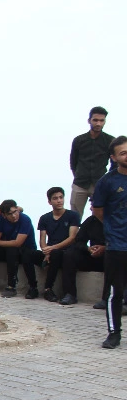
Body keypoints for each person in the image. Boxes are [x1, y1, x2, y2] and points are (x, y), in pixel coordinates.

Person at [91, 135, 127, 348]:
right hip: (117, 245)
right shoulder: (107, 182)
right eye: (123, 153)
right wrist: (114, 227)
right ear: (113, 157)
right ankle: (114, 333)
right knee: (115, 292)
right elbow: (98, 210)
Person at [0, 199, 39, 299]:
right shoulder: (1, 219)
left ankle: (29, 287)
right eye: (10, 214)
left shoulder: (25, 219)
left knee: (15, 251)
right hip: (10, 248)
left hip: (27, 250)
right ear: (4, 215)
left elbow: (18, 243)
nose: (14, 215)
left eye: (15, 212)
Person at [37, 186, 81, 301]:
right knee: (33, 255)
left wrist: (52, 248)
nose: (59, 200)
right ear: (49, 201)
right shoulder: (44, 218)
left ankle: (69, 294)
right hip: (52, 251)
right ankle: (47, 290)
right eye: (55, 198)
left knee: (63, 255)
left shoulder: (73, 216)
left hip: (68, 250)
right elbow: (42, 239)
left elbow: (72, 238)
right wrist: (46, 251)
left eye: (61, 197)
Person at [60, 213, 110, 307]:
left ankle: (106, 299)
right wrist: (88, 249)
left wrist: (105, 248)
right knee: (70, 254)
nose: (91, 209)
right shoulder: (91, 220)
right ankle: (70, 294)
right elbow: (79, 241)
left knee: (113, 257)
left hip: (110, 256)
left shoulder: (116, 220)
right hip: (93, 257)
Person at [70, 106, 113, 215]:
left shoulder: (110, 141)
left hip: (100, 183)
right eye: (95, 120)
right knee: (75, 216)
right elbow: (73, 162)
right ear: (89, 120)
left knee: (101, 216)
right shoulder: (79, 140)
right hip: (80, 183)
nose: (98, 123)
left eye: (101, 120)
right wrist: (79, 175)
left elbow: (115, 163)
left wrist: (108, 180)